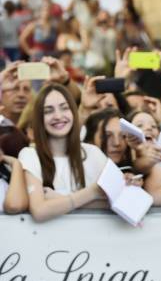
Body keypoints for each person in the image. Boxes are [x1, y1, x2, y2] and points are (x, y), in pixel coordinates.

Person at [18, 84, 107, 222]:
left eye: (64, 108)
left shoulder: (93, 153)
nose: (58, 116)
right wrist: (93, 193)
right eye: (48, 111)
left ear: (73, 112)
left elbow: (115, 204)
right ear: (39, 119)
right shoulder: (30, 155)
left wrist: (59, 199)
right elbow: (40, 211)